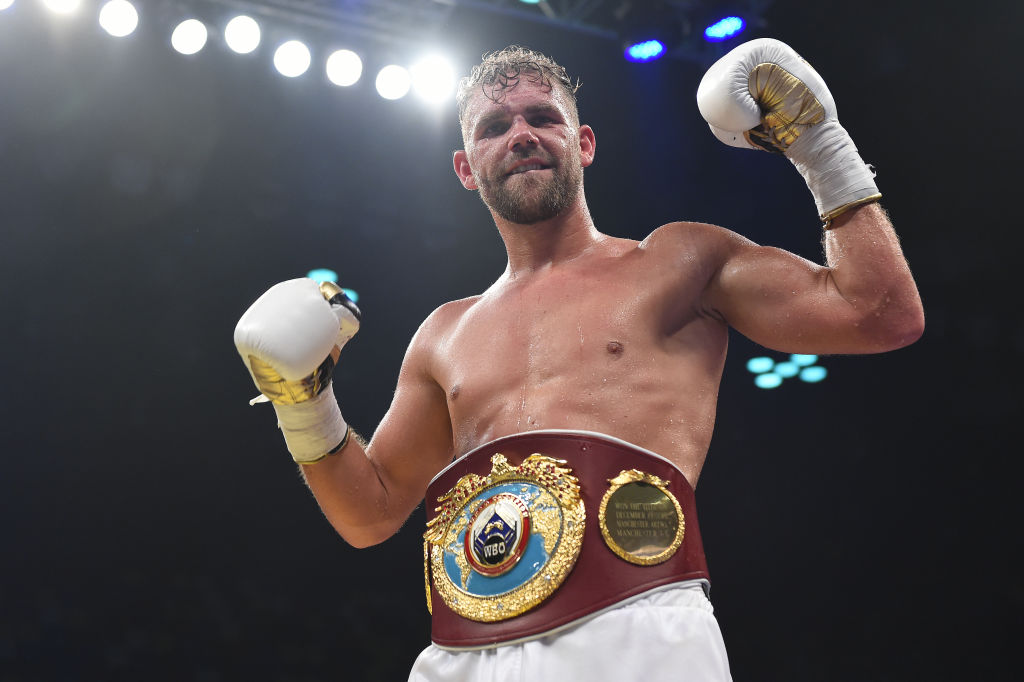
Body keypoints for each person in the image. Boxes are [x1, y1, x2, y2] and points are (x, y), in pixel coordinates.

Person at [234, 40, 923, 681]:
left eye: (543, 117)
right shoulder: (442, 335)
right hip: (463, 653)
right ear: (466, 169)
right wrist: (305, 402)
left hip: (636, 621)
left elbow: (882, 313)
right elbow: (371, 513)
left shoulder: (678, 261)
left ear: (583, 142)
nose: (522, 134)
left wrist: (819, 144)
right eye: (493, 127)